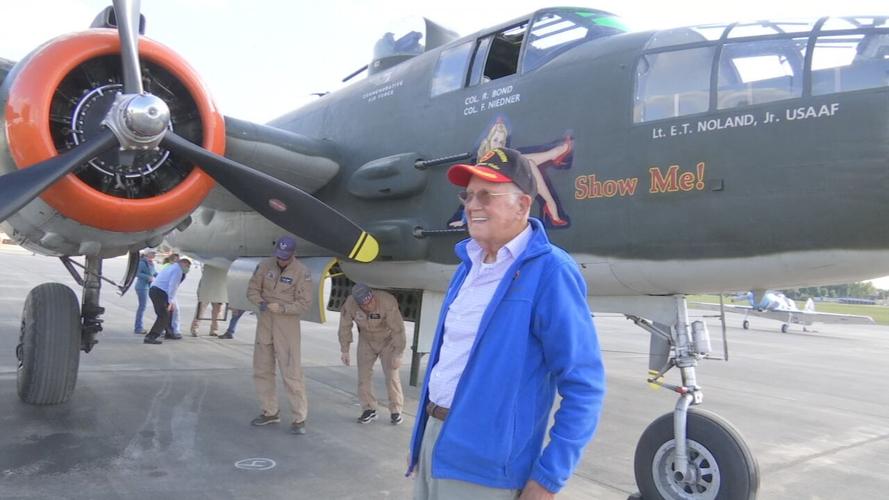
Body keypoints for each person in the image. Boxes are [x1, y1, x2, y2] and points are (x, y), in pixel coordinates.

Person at [407, 147, 605, 499]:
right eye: (468, 195)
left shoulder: (551, 272)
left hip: (486, 472)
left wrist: (548, 478)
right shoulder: (468, 266)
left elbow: (584, 385)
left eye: (486, 195)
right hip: (434, 445)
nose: (472, 205)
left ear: (523, 205)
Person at [247, 236, 313, 435]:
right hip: (266, 319)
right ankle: (269, 411)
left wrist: (283, 308)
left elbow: (304, 303)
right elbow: (252, 290)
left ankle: (299, 418)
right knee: (262, 368)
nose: (281, 260)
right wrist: (261, 303)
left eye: (285, 257)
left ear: (293, 254)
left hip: (287, 324)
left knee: (291, 372)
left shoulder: (302, 272)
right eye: (279, 256)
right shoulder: (265, 265)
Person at [338, 283, 407, 425]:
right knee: (363, 376)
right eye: (365, 304)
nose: (370, 305)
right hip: (366, 340)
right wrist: (344, 349)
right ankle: (369, 408)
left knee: (392, 375)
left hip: (387, 340)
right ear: (359, 304)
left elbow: (398, 329)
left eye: (371, 301)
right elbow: (344, 326)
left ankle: (396, 410)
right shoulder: (350, 304)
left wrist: (398, 353)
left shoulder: (387, 301)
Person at [144, 258, 192, 345]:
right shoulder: (178, 270)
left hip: (155, 290)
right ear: (183, 264)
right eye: (188, 266)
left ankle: (169, 332)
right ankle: (151, 336)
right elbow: (173, 286)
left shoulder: (171, 266)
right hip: (160, 292)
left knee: (167, 314)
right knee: (164, 316)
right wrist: (170, 301)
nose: (188, 269)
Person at [133, 249, 157, 334]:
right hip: (141, 287)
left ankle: (139, 327)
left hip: (147, 286)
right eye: (153, 253)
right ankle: (138, 327)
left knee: (143, 307)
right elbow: (136, 273)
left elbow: (154, 273)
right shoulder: (142, 263)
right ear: (147, 254)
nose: (154, 254)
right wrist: (148, 277)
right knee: (142, 307)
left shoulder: (150, 263)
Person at [159, 253, 184, 336]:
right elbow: (172, 284)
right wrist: (170, 299)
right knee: (170, 311)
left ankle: (169, 329)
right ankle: (169, 329)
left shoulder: (177, 269)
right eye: (175, 260)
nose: (176, 261)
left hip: (169, 291)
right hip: (166, 291)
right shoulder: (169, 267)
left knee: (172, 311)